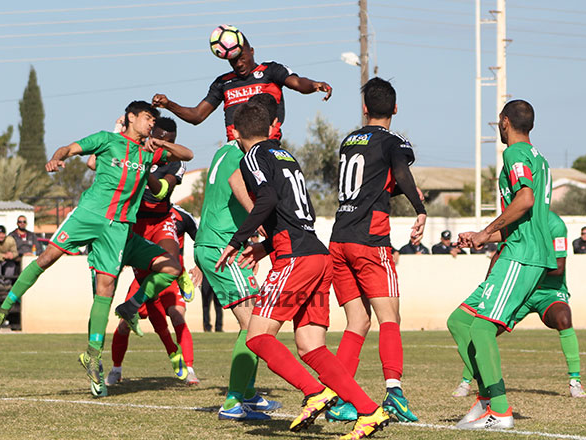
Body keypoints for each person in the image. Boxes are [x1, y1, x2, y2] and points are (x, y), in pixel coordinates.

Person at [0, 100, 193, 400]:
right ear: (130, 117)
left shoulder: (150, 151)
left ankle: (94, 354)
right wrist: (56, 159)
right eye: (148, 118)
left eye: (153, 120)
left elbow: (187, 154)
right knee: (47, 257)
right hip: (88, 215)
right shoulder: (107, 140)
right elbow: (68, 149)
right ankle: (2, 310)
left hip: (119, 228)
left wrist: (160, 143)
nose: (151, 123)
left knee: (134, 279)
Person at [216, 102, 390, 439]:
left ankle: (314, 392)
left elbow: (267, 199)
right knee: (311, 346)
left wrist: (237, 240)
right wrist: (265, 246)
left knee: (258, 337)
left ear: (235, 132)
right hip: (317, 256)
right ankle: (369, 410)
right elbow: (295, 212)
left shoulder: (252, 156)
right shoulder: (285, 156)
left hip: (295, 259)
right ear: (270, 128)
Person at [448, 99, 555, 430]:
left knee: (481, 328)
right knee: (459, 321)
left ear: (505, 122)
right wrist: (483, 236)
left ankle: (500, 411)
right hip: (520, 248)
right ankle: (486, 399)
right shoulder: (539, 158)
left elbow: (525, 199)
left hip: (522, 255)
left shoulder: (514, 154)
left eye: (498, 122)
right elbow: (526, 218)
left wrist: (486, 231)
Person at [326, 77, 426, 424]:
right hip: (370, 240)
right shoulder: (392, 141)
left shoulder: (348, 141)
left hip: (339, 239)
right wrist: (419, 208)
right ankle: (394, 392)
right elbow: (399, 171)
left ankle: (339, 398)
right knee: (389, 318)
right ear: (395, 108)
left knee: (357, 320)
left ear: (364, 108)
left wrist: (397, 188)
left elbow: (371, 183)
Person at [190, 94, 283, 421]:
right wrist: (263, 223)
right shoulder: (244, 156)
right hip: (221, 245)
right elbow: (238, 186)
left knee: (256, 319)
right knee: (255, 323)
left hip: (214, 242)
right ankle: (232, 401)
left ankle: (247, 393)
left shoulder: (224, 151)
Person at [452, 211, 586, 399]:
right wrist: (489, 285)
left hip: (547, 292)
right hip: (518, 286)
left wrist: (528, 267)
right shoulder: (514, 219)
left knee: (563, 318)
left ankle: (575, 381)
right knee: (484, 328)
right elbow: (499, 255)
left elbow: (559, 267)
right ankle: (468, 380)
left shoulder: (555, 225)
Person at [106, 119, 199, 386]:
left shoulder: (175, 164)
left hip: (159, 222)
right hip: (136, 226)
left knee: (176, 312)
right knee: (127, 319)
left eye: (167, 141)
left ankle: (189, 368)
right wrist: (119, 132)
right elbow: (107, 159)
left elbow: (161, 192)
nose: (160, 144)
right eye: (156, 138)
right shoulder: (136, 150)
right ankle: (116, 369)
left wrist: (200, 266)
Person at [152, 29, 331, 141]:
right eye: (233, 61)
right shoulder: (223, 83)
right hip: (235, 151)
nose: (238, 64)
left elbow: (298, 83)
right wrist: (169, 104)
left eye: (242, 58)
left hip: (266, 146)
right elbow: (197, 116)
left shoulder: (271, 70)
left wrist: (315, 85)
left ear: (251, 51)